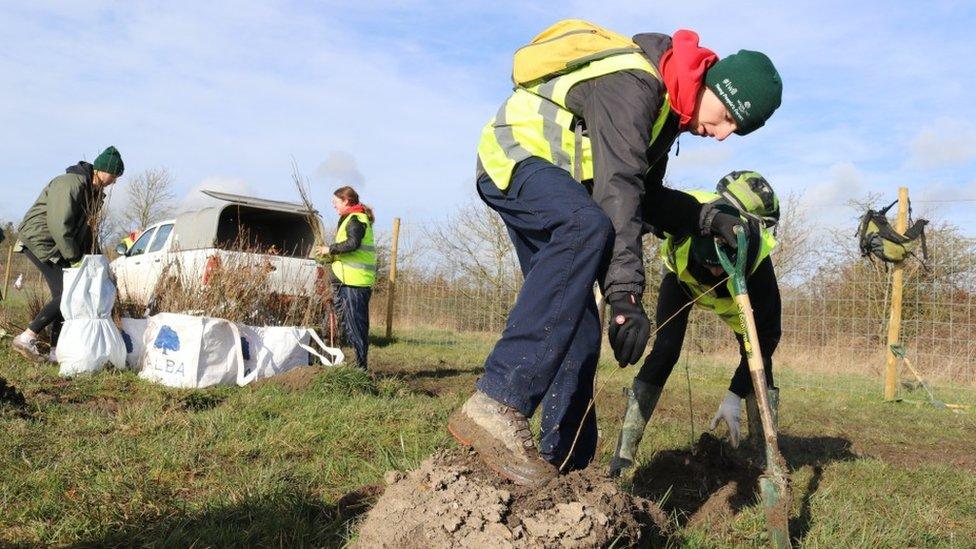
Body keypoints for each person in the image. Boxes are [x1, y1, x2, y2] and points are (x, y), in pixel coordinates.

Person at [447, 21, 783, 487]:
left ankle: (565, 477)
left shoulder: (667, 114)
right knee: (587, 227)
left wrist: (707, 218)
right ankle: (497, 403)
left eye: (737, 131)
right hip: (517, 158)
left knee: (578, 327)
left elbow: (643, 197)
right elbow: (618, 191)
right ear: (715, 85)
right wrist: (625, 295)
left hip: (560, 190)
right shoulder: (636, 85)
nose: (724, 135)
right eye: (728, 117)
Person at [610, 171, 782, 477]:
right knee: (665, 350)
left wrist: (734, 394)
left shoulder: (758, 263)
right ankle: (623, 455)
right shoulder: (685, 215)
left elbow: (767, 336)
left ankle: (765, 461)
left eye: (721, 268)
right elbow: (634, 214)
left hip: (735, 298)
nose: (716, 273)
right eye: (710, 267)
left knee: (759, 358)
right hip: (682, 284)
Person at [11, 146, 124, 362]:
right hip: (41, 240)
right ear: (102, 169)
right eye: (115, 175)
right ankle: (27, 337)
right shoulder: (70, 183)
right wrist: (74, 258)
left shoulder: (93, 194)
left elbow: (86, 231)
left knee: (65, 295)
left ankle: (56, 352)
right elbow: (59, 223)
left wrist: (96, 259)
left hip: (59, 244)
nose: (115, 181)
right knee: (68, 293)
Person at [313, 186, 376, 370]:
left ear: (346, 201)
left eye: (335, 203)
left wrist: (330, 249)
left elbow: (353, 244)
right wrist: (330, 256)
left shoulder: (356, 219)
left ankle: (360, 368)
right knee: (346, 325)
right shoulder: (350, 218)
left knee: (356, 326)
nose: (334, 206)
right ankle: (350, 364)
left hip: (354, 282)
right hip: (346, 280)